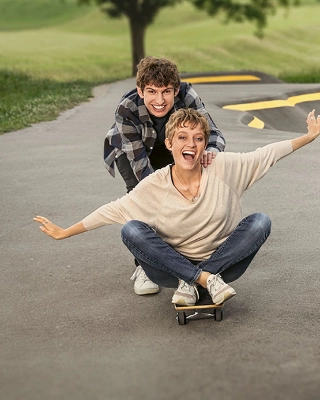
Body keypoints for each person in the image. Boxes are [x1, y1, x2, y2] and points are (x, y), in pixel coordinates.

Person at [34, 108, 320, 308]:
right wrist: (65, 232)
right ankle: (201, 279)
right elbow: (111, 210)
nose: (191, 144)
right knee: (131, 229)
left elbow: (267, 154)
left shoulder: (223, 167)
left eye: (198, 138)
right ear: (170, 144)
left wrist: (308, 137)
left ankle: (197, 279)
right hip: (170, 270)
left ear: (205, 144)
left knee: (260, 222)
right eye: (182, 137)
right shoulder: (155, 184)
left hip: (224, 263)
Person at [104, 56, 225, 296]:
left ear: (176, 89)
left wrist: (210, 153)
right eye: (151, 92)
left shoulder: (188, 97)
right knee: (143, 198)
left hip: (172, 145)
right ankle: (144, 266)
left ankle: (188, 255)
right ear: (140, 90)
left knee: (190, 189)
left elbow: (215, 135)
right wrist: (168, 196)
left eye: (166, 92)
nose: (159, 101)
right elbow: (142, 170)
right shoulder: (126, 108)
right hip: (131, 149)